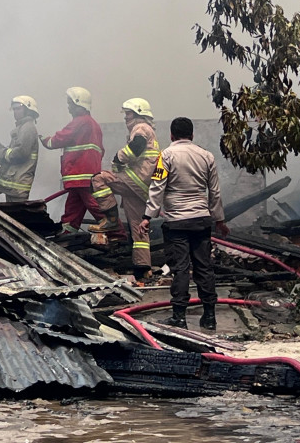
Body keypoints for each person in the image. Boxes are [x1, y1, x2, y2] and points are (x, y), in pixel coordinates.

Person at [138, 117, 228, 330]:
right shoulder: (206, 156)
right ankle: (210, 317)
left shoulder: (166, 156)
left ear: (171, 135)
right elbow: (214, 192)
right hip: (201, 221)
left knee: (180, 269)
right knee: (204, 268)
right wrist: (220, 220)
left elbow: (157, 187)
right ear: (192, 135)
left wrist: (147, 216)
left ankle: (179, 317)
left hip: (177, 223)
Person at [90, 98, 161, 280]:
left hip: (135, 180)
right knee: (139, 228)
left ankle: (111, 219)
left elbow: (135, 148)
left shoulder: (141, 128)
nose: (125, 118)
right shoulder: (148, 130)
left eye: (128, 113)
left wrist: (118, 159)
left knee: (99, 179)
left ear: (138, 113)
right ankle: (143, 268)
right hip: (142, 187)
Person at [40, 87, 104, 234]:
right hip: (85, 175)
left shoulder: (80, 122)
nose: (68, 107)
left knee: (95, 206)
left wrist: (44, 140)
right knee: (73, 208)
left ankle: (116, 233)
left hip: (80, 174)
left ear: (78, 103)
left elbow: (59, 139)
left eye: (70, 104)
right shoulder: (94, 125)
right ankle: (67, 232)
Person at [0, 96, 40, 203]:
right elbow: (13, 152)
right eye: (14, 109)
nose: (15, 112)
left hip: (17, 182)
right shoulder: (22, 127)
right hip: (9, 178)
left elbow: (20, 154)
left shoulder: (28, 128)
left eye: (18, 109)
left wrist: (1, 151)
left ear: (28, 110)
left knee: (15, 215)